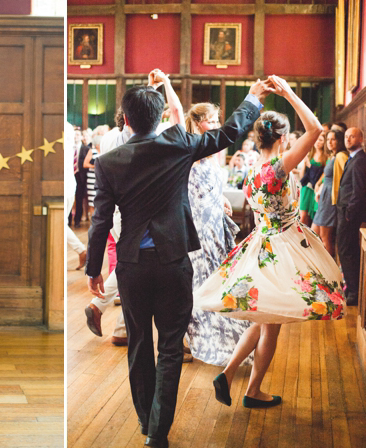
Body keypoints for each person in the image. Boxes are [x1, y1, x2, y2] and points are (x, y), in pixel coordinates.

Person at [86, 70, 271, 447]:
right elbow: (228, 133)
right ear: (159, 118)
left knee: (139, 343)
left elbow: (101, 219)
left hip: (133, 265)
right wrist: (252, 97)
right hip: (173, 263)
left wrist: (94, 270)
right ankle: (158, 432)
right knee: (170, 346)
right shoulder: (179, 143)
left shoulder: (109, 162)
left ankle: (145, 420)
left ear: (126, 118)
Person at [194, 76, 345, 410]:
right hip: (282, 248)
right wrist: (290, 93)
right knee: (270, 325)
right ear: (283, 138)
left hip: (263, 245)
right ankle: (252, 389)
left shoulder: (253, 170)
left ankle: (233, 375)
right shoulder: (277, 168)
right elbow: (316, 129)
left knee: (265, 320)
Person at [84, 69, 185, 348]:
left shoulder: (108, 140)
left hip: (116, 211)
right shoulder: (142, 141)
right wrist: (161, 86)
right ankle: (109, 315)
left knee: (127, 263)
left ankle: (117, 322)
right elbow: (174, 118)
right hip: (137, 214)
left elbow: (98, 218)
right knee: (131, 263)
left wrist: (93, 268)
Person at [184, 103, 252, 367]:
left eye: (216, 121)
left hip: (214, 221)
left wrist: (220, 195)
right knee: (203, 280)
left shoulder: (211, 150)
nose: (215, 126)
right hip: (200, 226)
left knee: (220, 276)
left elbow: (209, 183)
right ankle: (201, 338)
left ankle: (232, 339)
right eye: (211, 121)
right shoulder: (192, 146)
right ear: (199, 122)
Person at [336, 127, 366, 306]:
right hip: (345, 212)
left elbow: (359, 190)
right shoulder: (353, 158)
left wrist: (349, 214)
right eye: (346, 136)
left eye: (352, 136)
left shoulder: (360, 160)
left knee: (347, 252)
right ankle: (351, 288)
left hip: (350, 215)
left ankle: (353, 293)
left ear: (361, 138)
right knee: (346, 251)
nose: (348, 139)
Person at [311, 130, 348, 257]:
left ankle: (329, 269)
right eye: (328, 140)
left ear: (339, 141)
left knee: (325, 236)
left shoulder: (341, 156)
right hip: (324, 196)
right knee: (314, 233)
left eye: (333, 139)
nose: (330, 142)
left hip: (331, 198)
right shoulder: (333, 156)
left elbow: (346, 177)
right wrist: (319, 186)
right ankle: (318, 264)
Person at [66, 122, 87, 269]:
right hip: (68, 182)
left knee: (59, 223)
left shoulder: (62, 126)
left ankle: (81, 250)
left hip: (63, 183)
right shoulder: (67, 127)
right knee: (61, 223)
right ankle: (81, 251)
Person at [298, 131, 327, 225]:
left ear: (324, 142)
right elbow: (302, 176)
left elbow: (323, 174)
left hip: (317, 188)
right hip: (306, 188)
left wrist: (310, 166)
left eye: (321, 140)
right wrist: (304, 164)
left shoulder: (325, 157)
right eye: (316, 140)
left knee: (314, 216)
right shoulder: (309, 154)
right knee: (303, 216)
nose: (318, 142)